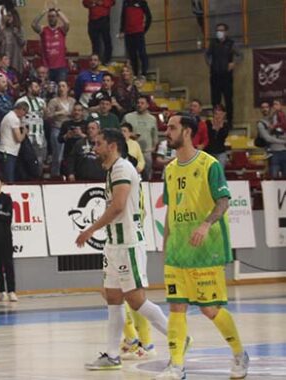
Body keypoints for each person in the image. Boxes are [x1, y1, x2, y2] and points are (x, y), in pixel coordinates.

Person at [155, 114, 249, 380]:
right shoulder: (170, 169)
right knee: (176, 307)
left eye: (172, 127)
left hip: (206, 250)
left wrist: (206, 224)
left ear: (187, 131)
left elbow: (223, 201)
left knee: (210, 309)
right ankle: (176, 365)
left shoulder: (210, 165)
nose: (167, 132)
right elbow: (171, 209)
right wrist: (166, 246)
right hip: (178, 251)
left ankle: (239, 353)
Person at [75, 128, 170, 370]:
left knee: (136, 300)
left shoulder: (121, 168)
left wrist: (90, 229)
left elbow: (117, 207)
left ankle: (177, 337)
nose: (95, 148)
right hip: (114, 244)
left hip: (127, 242)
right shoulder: (112, 170)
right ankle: (112, 354)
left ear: (113, 145)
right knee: (113, 297)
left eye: (99, 144)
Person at [206, 23, 238, 126]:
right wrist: (210, 63)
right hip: (215, 75)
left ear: (226, 32)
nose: (219, 32)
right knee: (215, 100)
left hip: (227, 76)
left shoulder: (231, 43)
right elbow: (207, 55)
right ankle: (217, 120)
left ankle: (229, 121)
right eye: (217, 30)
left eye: (221, 30)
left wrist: (234, 62)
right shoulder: (213, 43)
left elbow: (240, 55)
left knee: (228, 100)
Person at [32, 7, 70, 83]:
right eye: (49, 16)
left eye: (53, 16)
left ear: (57, 17)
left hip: (60, 67)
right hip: (47, 67)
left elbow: (67, 23)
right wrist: (43, 12)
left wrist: (58, 11)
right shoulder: (44, 30)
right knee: (47, 90)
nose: (51, 18)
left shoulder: (61, 30)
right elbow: (33, 24)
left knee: (60, 88)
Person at [123, 95, 157, 179]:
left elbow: (154, 135)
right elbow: (122, 131)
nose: (139, 105)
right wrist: (130, 135)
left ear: (147, 105)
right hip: (131, 151)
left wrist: (153, 148)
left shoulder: (152, 119)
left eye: (142, 103)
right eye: (138, 103)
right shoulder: (128, 117)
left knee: (147, 175)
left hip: (146, 152)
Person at [47, 81, 76, 178]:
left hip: (70, 129)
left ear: (68, 88)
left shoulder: (72, 101)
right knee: (58, 156)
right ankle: (55, 175)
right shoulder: (54, 101)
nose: (61, 88)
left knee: (69, 155)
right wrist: (58, 113)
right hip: (57, 128)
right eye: (59, 86)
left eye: (63, 86)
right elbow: (47, 116)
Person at [0, 102, 29, 182]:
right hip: (9, 152)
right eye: (25, 112)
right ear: (21, 109)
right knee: (8, 178)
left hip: (2, 149)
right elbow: (19, 138)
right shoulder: (14, 119)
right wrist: (24, 132)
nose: (24, 115)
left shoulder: (7, 116)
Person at [119, 0, 152, 78]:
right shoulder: (126, 2)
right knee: (132, 55)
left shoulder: (142, 2)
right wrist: (121, 30)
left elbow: (149, 17)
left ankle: (144, 73)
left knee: (142, 53)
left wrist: (144, 30)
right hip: (128, 34)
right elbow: (123, 17)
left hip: (138, 33)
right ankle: (135, 74)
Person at [256, 101, 286, 178]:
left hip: (284, 151)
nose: (265, 109)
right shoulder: (261, 123)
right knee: (273, 178)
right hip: (273, 153)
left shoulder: (278, 118)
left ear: (270, 108)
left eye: (267, 107)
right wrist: (283, 141)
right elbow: (267, 138)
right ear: (260, 110)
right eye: (263, 107)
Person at [59, 102, 87, 177]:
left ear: (82, 112)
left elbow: (92, 139)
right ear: (72, 111)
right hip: (68, 153)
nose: (76, 112)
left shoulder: (87, 124)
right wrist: (67, 136)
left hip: (83, 155)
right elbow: (60, 139)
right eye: (75, 110)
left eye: (79, 110)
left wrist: (81, 134)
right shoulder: (66, 124)